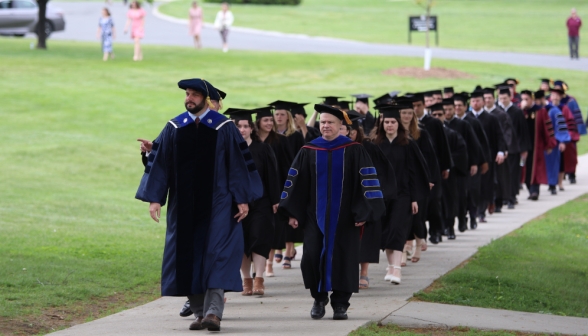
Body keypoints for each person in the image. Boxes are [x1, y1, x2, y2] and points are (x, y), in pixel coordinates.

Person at [135, 78, 263, 331]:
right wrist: (154, 198)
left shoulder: (223, 127)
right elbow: (161, 161)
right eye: (187, 94)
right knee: (185, 257)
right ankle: (199, 312)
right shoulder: (175, 126)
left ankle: (214, 313)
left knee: (216, 255)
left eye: (194, 95)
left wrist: (242, 198)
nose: (189, 98)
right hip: (182, 206)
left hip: (218, 204)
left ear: (206, 99)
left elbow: (239, 164)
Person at [279, 104, 385, 320]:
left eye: (330, 122)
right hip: (313, 217)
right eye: (323, 122)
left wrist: (363, 212)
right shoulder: (308, 150)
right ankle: (318, 299)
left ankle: (340, 304)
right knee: (310, 257)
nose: (325, 126)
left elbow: (368, 184)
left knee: (344, 258)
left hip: (346, 218)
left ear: (341, 126)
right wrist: (292, 212)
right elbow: (295, 185)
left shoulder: (354, 150)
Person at [224, 108, 281, 297]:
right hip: (235, 204)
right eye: (238, 126)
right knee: (241, 242)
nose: (242, 130)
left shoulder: (262, 148)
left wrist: (275, 199)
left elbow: (272, 175)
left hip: (261, 202)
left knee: (259, 237)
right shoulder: (228, 150)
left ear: (251, 128)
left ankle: (259, 279)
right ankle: (246, 279)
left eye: (246, 126)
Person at [340, 111, 397, 289]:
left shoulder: (368, 147)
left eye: (350, 130)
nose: (349, 133)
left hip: (366, 198)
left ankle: (364, 273)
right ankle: (347, 273)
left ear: (356, 130)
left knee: (367, 238)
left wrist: (377, 198)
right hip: (344, 200)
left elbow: (382, 173)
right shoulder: (336, 149)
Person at [373, 103, 429, 283]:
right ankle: (391, 267)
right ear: (382, 124)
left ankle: (396, 269)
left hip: (402, 196)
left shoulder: (408, 145)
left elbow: (415, 173)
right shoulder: (376, 145)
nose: (389, 125)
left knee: (397, 230)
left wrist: (414, 199)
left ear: (398, 124)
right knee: (387, 232)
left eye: (392, 122)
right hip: (381, 197)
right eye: (386, 122)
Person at [268, 100, 305, 269]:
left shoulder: (295, 135)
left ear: (288, 116)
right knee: (275, 216)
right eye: (277, 114)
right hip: (275, 178)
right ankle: (277, 247)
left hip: (290, 178)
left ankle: (289, 250)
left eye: (282, 114)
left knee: (290, 213)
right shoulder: (270, 136)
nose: (279, 117)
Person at [254, 107, 291, 277]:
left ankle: (268, 264)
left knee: (271, 230)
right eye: (266, 120)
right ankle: (259, 267)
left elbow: (287, 167)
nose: (269, 123)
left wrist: (282, 193)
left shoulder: (280, 141)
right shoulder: (251, 141)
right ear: (258, 122)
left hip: (276, 191)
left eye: (271, 120)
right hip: (256, 192)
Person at [412, 92, 452, 244]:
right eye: (413, 106)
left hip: (433, 169)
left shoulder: (433, 123)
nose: (416, 109)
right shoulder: (409, 125)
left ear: (424, 105)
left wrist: (446, 166)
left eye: (418, 105)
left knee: (434, 203)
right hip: (416, 172)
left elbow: (443, 146)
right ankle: (422, 234)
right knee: (421, 207)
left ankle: (436, 231)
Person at [443, 98, 484, 232]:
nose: (448, 112)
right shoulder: (439, 127)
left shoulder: (463, 125)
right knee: (446, 198)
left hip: (460, 167)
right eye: (445, 110)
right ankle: (447, 225)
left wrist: (473, 162)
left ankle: (463, 219)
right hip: (444, 169)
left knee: (462, 196)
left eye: (450, 109)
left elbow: (472, 145)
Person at [430, 103, 468, 240]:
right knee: (434, 202)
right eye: (434, 115)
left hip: (447, 174)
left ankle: (450, 227)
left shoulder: (452, 134)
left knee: (449, 200)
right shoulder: (425, 133)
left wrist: (448, 163)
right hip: (432, 174)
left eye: (439, 114)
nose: (437, 117)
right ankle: (437, 230)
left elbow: (461, 152)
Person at [468, 89, 507, 223]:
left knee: (485, 185)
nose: (476, 103)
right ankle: (472, 211)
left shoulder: (491, 118)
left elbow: (499, 136)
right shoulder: (467, 118)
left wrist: (501, 151)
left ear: (483, 102)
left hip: (486, 157)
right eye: (473, 101)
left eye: (478, 100)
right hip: (470, 159)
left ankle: (481, 211)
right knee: (472, 187)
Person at [454, 93, 490, 228]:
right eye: (455, 105)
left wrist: (478, 162)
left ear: (465, 107)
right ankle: (462, 217)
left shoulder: (472, 122)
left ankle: (473, 217)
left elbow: (478, 144)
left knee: (473, 191)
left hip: (471, 164)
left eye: (460, 106)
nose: (457, 108)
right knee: (460, 194)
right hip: (457, 165)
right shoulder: (449, 123)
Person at [497, 87, 531, 207]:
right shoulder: (497, 111)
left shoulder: (516, 111)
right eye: (500, 98)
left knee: (513, 174)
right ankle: (502, 198)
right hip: (501, 148)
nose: (502, 100)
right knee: (501, 175)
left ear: (510, 97)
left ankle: (511, 197)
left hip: (514, 148)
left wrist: (524, 149)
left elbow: (523, 131)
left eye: (505, 98)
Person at [521, 90, 557, 200]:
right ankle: (529, 189)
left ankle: (534, 191)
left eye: (527, 99)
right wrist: (521, 111)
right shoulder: (519, 112)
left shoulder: (540, 111)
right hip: (522, 148)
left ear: (532, 99)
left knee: (536, 168)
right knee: (523, 167)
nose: (524, 102)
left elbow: (548, 129)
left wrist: (550, 144)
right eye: (522, 99)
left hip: (537, 146)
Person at [483, 87, 514, 213]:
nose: (487, 100)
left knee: (499, 178)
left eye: (490, 98)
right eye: (485, 98)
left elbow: (505, 133)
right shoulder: (478, 116)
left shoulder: (501, 114)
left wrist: (503, 149)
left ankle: (499, 201)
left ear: (493, 99)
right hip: (484, 152)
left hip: (496, 151)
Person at [544, 88, 571, 194]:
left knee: (554, 164)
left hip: (554, 142)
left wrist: (562, 141)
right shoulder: (546, 109)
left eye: (556, 95)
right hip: (545, 142)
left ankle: (553, 184)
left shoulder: (557, 111)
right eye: (553, 95)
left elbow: (562, 128)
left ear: (560, 97)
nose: (554, 97)